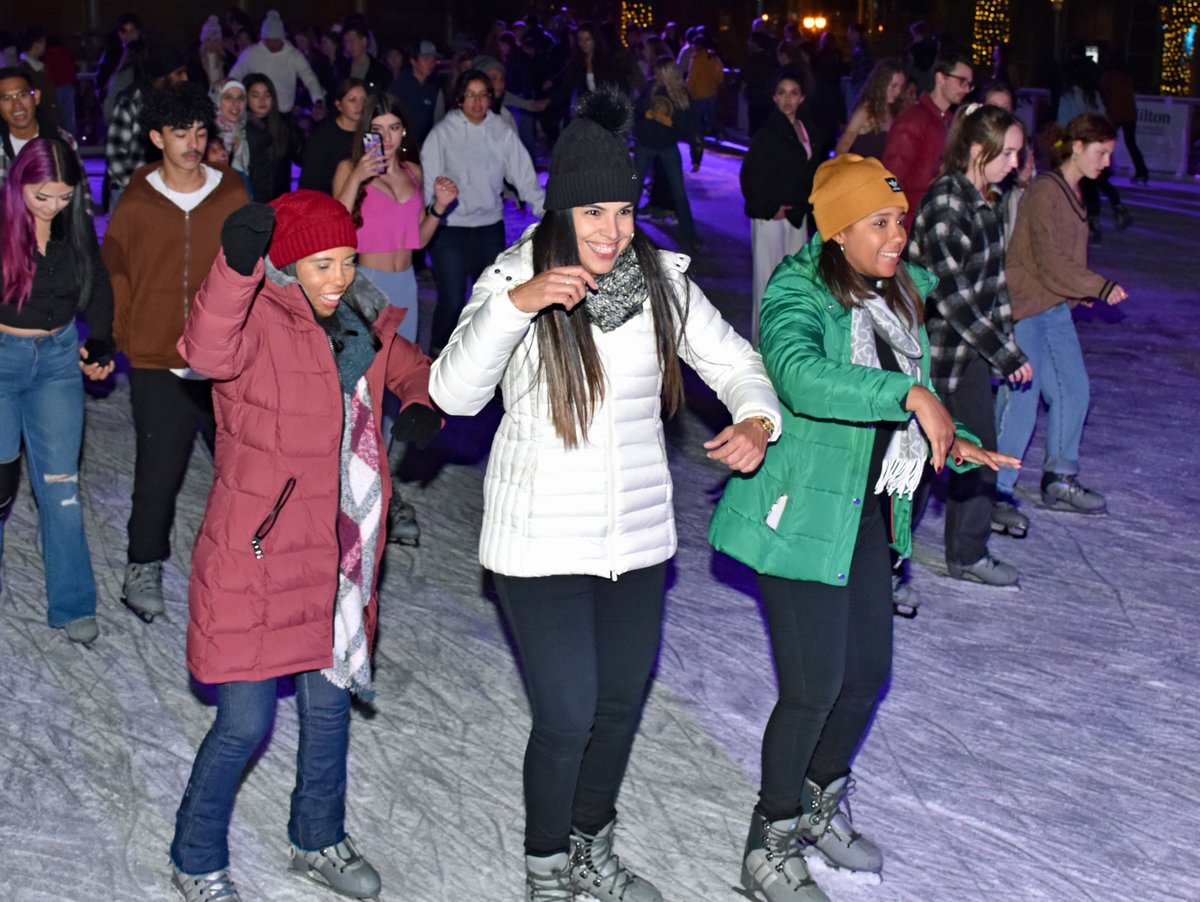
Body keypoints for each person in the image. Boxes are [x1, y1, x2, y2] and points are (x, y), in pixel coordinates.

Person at [429, 87, 781, 902]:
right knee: (567, 711)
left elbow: (734, 360)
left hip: (635, 537)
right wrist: (515, 309)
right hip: (540, 540)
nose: (611, 231)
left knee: (618, 703)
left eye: (624, 211)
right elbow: (452, 393)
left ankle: (591, 842)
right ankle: (547, 862)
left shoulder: (654, 280)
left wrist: (758, 418)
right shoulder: (516, 274)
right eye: (594, 212)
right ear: (561, 210)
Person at [709, 152, 1017, 902]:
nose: (898, 235)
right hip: (801, 514)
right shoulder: (797, 290)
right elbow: (799, 374)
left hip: (868, 510)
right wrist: (912, 396)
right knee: (813, 688)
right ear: (839, 230)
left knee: (866, 677)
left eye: (900, 220)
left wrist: (951, 433)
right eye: (880, 222)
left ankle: (817, 804)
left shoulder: (894, 296)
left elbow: (903, 409)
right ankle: (768, 841)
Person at [169, 189, 436, 902]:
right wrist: (233, 267)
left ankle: (318, 837)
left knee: (327, 712)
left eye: (348, 259)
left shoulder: (361, 320)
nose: (339, 277)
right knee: (243, 724)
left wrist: (419, 404)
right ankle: (195, 855)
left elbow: (416, 369)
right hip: (256, 556)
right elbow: (202, 347)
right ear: (288, 265)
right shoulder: (255, 317)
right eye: (322, 264)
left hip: (337, 560)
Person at [101, 82, 249, 621]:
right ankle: (142, 564)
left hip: (225, 362)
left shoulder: (232, 194)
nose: (192, 142)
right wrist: (108, 337)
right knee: (157, 473)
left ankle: (251, 564)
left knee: (246, 473)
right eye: (180, 132)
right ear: (156, 137)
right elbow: (116, 273)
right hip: (157, 360)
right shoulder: (137, 202)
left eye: (200, 131)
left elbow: (256, 272)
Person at [907, 103, 1029, 586]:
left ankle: (968, 554)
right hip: (930, 357)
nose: (1016, 163)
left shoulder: (989, 201)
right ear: (979, 151)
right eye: (1010, 153)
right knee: (915, 466)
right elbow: (951, 295)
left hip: (970, 356)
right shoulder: (946, 201)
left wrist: (1006, 347)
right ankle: (886, 564)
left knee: (982, 453)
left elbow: (995, 287)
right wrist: (1003, 352)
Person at [0, 137, 115, 646]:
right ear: (19, 183)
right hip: (2, 363)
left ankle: (71, 602)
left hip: (57, 363)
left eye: (63, 197)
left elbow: (99, 281)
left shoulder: (72, 224)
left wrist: (102, 341)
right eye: (41, 196)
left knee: (61, 486)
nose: (52, 207)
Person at [333, 92, 457, 544]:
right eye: (378, 129)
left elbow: (417, 240)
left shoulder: (413, 172)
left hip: (405, 286)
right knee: (362, 395)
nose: (387, 138)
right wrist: (357, 178)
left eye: (394, 128)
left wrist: (439, 208)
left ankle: (379, 491)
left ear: (404, 131)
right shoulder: (352, 171)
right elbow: (335, 225)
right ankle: (354, 491)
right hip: (364, 289)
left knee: (399, 391)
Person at [996, 113, 1128, 526]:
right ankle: (995, 488)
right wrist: (1097, 286)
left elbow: (1066, 260)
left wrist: (1079, 290)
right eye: (1101, 152)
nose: (1106, 162)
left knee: (1074, 388)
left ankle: (1060, 477)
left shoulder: (1073, 194)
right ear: (1076, 146)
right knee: (1023, 396)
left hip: (1054, 306)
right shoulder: (1044, 191)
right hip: (1026, 306)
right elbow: (1047, 258)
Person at [420, 68, 545, 355]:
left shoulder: (500, 131)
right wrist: (425, 217)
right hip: (450, 230)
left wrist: (545, 209)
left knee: (489, 300)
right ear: (459, 99)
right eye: (470, 95)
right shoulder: (442, 134)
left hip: (489, 227)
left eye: (483, 95)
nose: (477, 102)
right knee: (452, 301)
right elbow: (429, 181)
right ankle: (437, 355)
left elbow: (523, 176)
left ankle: (481, 360)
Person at [741, 70, 820, 346]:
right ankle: (762, 344)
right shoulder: (769, 131)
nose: (788, 99)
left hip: (795, 215)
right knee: (768, 280)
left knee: (794, 279)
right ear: (775, 98)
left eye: (794, 93)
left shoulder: (803, 127)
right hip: (772, 216)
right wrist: (769, 207)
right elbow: (752, 174)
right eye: (782, 93)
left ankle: (786, 340)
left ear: (802, 98)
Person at [883, 49, 974, 231]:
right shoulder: (913, 120)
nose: (965, 89)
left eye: (969, 85)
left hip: (938, 222)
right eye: (961, 82)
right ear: (941, 78)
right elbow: (890, 178)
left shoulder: (950, 121)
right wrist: (899, 217)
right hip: (912, 227)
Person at [633, 56, 700, 250]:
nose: (656, 75)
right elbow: (636, 110)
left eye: (659, 72)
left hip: (668, 146)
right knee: (634, 191)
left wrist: (697, 154)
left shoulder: (681, 94)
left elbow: (692, 126)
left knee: (679, 192)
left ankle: (691, 237)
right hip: (645, 144)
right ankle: (625, 234)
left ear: (668, 73)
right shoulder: (651, 87)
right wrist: (638, 127)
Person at [227, 10, 325, 117]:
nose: (272, 44)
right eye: (268, 40)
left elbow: (309, 78)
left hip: (283, 113)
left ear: (282, 38)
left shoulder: (293, 54)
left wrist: (318, 100)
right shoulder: (252, 53)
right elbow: (235, 75)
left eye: (276, 40)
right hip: (257, 114)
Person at [0, 66, 81, 189]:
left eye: (22, 95)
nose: (17, 105)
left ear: (36, 97)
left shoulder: (62, 141)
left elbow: (80, 193)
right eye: (6, 98)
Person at [298, 77, 365, 193]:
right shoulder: (322, 137)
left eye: (363, 100)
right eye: (352, 100)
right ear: (339, 105)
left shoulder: (370, 133)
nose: (359, 106)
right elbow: (309, 184)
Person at [242, 73, 299, 202]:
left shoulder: (284, 125)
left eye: (267, 95)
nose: (262, 100)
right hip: (251, 198)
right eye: (255, 95)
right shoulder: (240, 128)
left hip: (280, 199)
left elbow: (301, 155)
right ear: (245, 98)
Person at [835, 58, 907, 158]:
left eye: (901, 86)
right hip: (863, 172)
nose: (898, 91)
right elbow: (842, 148)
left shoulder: (895, 110)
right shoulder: (865, 112)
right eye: (894, 86)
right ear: (881, 83)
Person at [390, 40, 440, 148]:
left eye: (433, 59)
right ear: (413, 61)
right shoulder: (400, 86)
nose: (431, 63)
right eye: (426, 59)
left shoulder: (432, 89)